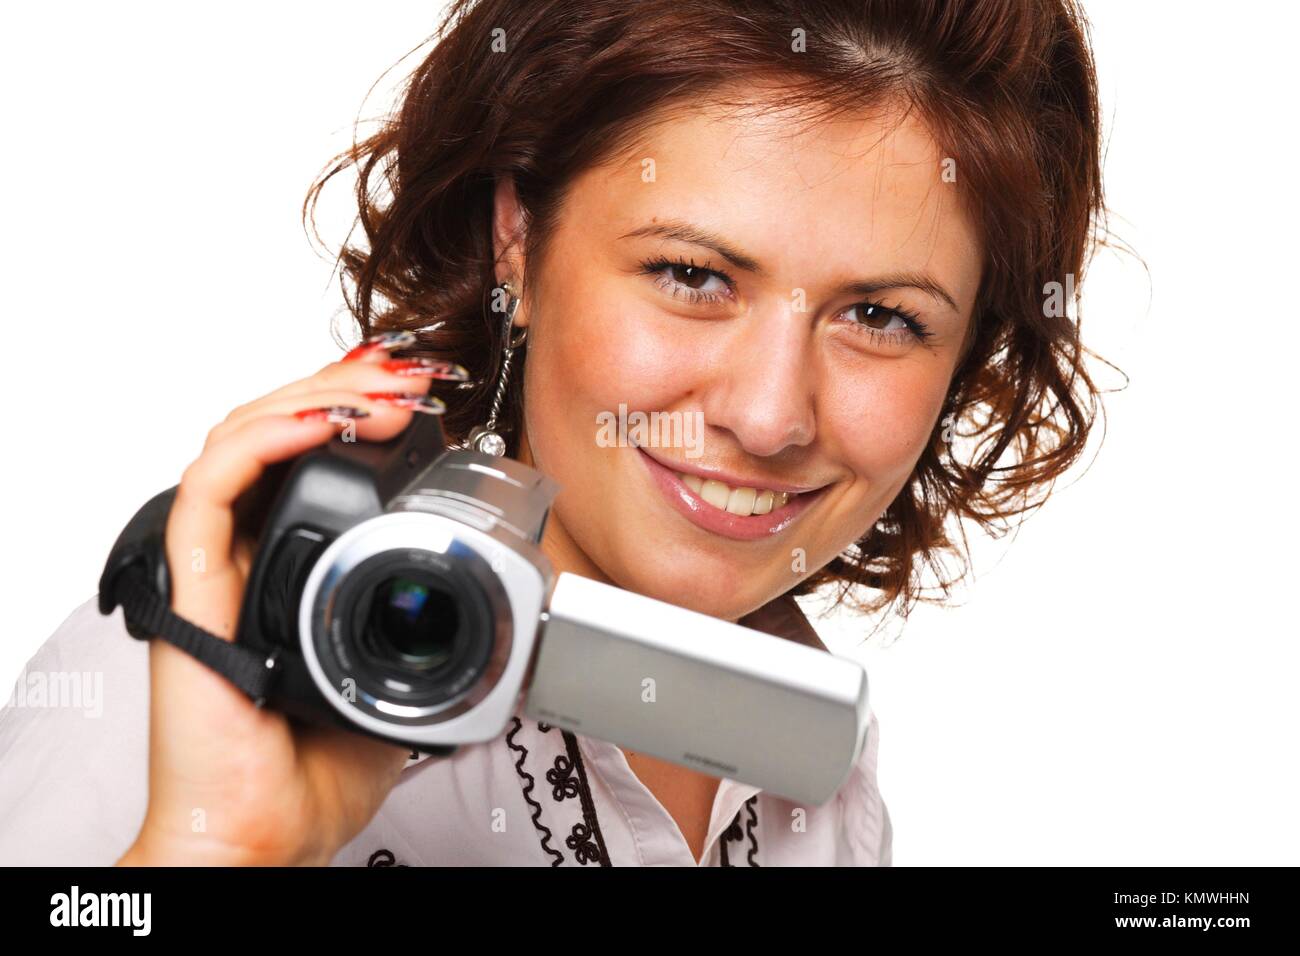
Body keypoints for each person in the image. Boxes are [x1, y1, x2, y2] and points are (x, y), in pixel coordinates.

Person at [0, 0, 1113, 866]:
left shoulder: (809, 759)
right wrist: (214, 851)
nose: (771, 414)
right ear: (516, 242)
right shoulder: (200, 671)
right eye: (691, 274)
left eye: (880, 317)